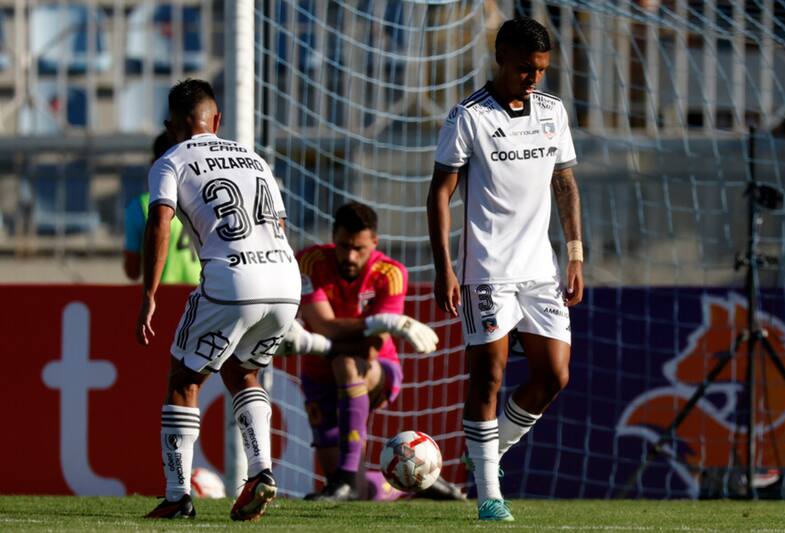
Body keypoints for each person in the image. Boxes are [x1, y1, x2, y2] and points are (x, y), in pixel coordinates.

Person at [426, 17, 584, 522]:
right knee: (488, 376)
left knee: (554, 375)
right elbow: (439, 193)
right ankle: (490, 493)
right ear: (500, 59)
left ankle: (486, 460)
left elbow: (565, 183)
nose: (533, 78)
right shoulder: (468, 116)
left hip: (541, 268)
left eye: (540, 70)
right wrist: (445, 268)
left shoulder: (552, 112)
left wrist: (576, 253)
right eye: (524, 69)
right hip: (487, 269)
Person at [135, 78, 302, 521]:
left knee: (183, 379)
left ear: (173, 125)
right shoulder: (255, 159)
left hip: (233, 278)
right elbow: (279, 226)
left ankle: (177, 496)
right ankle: (261, 471)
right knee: (243, 369)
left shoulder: (170, 160)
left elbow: (160, 225)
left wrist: (149, 293)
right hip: (286, 278)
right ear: (217, 120)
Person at [283, 202, 462, 502]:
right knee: (350, 488)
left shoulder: (391, 273)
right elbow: (324, 325)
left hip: (378, 370)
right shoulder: (309, 261)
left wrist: (321, 341)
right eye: (343, 246)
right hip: (318, 377)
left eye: (359, 248)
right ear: (332, 238)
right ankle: (415, 481)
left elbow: (373, 347)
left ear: (374, 243)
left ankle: (349, 480)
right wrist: (380, 321)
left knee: (347, 364)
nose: (350, 256)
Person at [123, 131, 201, 284]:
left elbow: (132, 272)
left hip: (163, 296)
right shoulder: (204, 200)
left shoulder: (141, 206)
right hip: (203, 294)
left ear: (154, 164)